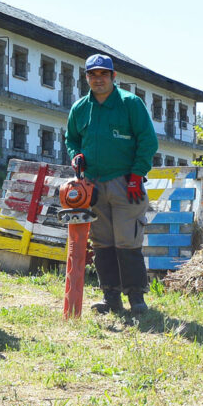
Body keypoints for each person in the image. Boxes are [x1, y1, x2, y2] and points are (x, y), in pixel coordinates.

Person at [65, 53, 159, 316]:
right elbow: (71, 138)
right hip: (92, 184)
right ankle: (111, 298)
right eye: (92, 75)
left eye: (103, 74)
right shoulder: (80, 108)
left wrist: (137, 174)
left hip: (125, 181)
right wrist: (76, 155)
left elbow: (148, 141)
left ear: (113, 76)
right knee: (102, 242)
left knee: (127, 241)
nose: (98, 79)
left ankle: (136, 298)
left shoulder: (131, 104)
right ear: (86, 78)